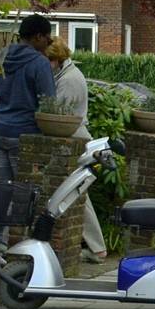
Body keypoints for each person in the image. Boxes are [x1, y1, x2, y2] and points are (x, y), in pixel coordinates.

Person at [45, 37, 107, 265]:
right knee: (78, 192)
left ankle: (97, 248)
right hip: (77, 139)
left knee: (76, 192)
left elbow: (58, 113)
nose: (47, 64)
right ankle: (96, 248)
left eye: (49, 59)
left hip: (74, 140)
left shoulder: (69, 80)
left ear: (57, 59)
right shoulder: (68, 74)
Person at [0, 14, 55, 249]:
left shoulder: (1, 56)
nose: (49, 42)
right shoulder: (39, 63)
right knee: (24, 193)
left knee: (0, 191)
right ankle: (19, 246)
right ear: (38, 36)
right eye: (47, 37)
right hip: (25, 135)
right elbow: (49, 102)